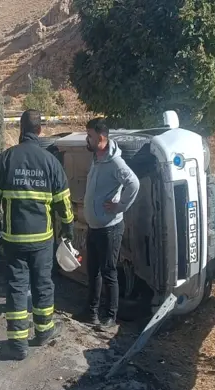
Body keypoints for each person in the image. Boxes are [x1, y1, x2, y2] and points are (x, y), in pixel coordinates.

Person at [0, 110, 74, 360]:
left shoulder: (4, 159)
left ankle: (17, 344)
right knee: (42, 284)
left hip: (14, 239)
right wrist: (67, 228)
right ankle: (44, 331)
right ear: (40, 130)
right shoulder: (50, 162)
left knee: (16, 286)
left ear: (20, 129)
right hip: (42, 240)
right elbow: (63, 203)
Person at [79, 117, 140, 329]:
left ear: (102, 138)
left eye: (90, 136)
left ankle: (110, 316)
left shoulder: (116, 162)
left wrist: (119, 206)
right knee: (93, 270)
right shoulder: (97, 157)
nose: (87, 139)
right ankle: (91, 312)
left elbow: (133, 183)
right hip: (94, 227)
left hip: (109, 229)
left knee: (108, 272)